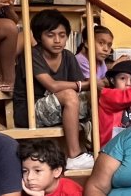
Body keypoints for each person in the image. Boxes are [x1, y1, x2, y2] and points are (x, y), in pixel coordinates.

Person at [11, 10, 94, 170]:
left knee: (98, 97)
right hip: (29, 111)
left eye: (62, 35)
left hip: (57, 108)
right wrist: (82, 85)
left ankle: (96, 148)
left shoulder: (68, 56)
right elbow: (53, 86)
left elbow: (82, 88)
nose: (57, 40)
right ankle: (74, 155)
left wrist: (93, 86)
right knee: (70, 94)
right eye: (51, 35)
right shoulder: (32, 55)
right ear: (39, 37)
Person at [96, 56, 131, 148]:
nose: (128, 83)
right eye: (123, 78)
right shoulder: (107, 95)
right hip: (111, 148)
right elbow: (128, 96)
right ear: (112, 80)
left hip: (130, 145)